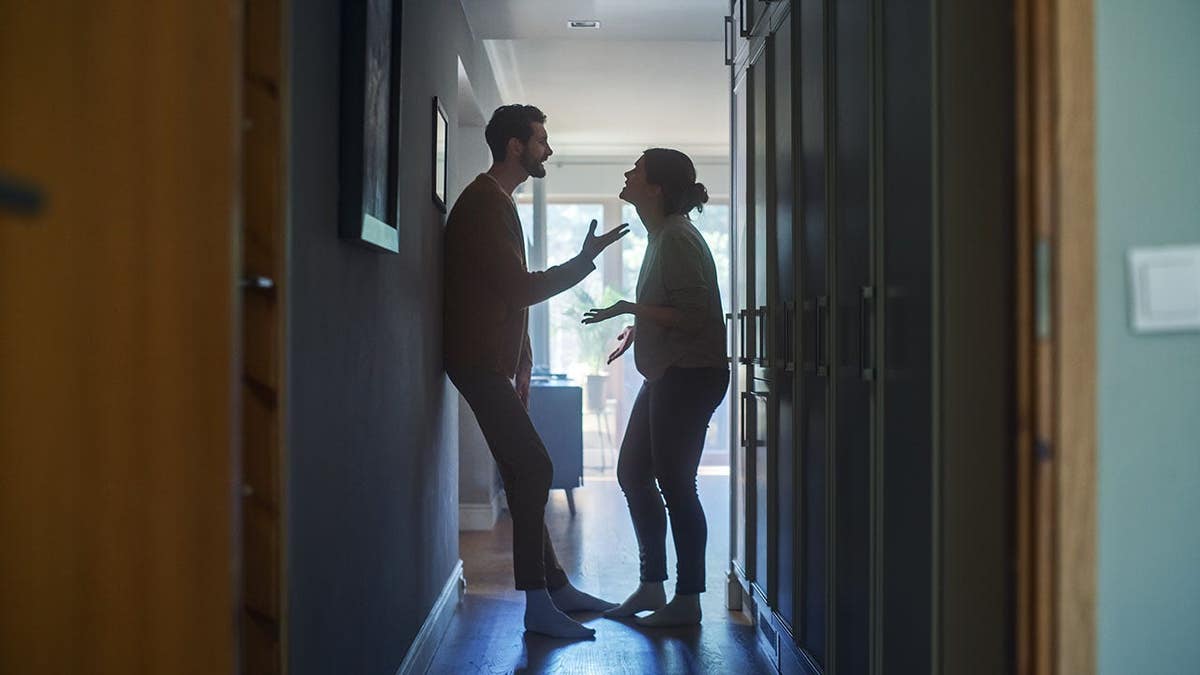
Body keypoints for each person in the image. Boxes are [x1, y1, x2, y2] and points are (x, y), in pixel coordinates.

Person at [443, 104, 627, 638]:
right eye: (541, 140)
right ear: (515, 146)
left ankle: (557, 589)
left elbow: (506, 294)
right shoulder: (483, 204)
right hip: (475, 362)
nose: (548, 148)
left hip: (490, 363)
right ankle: (539, 606)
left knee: (526, 470)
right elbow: (520, 289)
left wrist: (522, 363)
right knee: (537, 468)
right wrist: (584, 259)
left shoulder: (499, 202)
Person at [581, 148, 729, 627]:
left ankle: (687, 601)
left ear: (657, 187)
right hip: (671, 371)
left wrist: (629, 309)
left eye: (637, 169)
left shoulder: (677, 238)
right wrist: (639, 329)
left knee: (675, 484)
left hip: (691, 375)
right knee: (632, 473)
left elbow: (694, 315)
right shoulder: (662, 235)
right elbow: (674, 309)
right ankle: (652, 585)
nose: (627, 173)